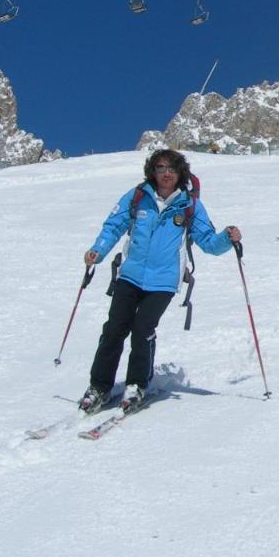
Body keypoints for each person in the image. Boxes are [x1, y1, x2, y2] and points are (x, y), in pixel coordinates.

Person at [79, 149, 241, 413]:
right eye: (160, 168)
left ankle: (136, 384)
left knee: (142, 329)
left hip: (163, 281)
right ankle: (99, 386)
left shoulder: (189, 204)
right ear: (152, 171)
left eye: (172, 169)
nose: (166, 174)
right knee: (114, 330)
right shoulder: (138, 197)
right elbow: (113, 226)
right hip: (130, 275)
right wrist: (97, 251)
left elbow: (209, 242)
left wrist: (227, 237)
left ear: (180, 173)